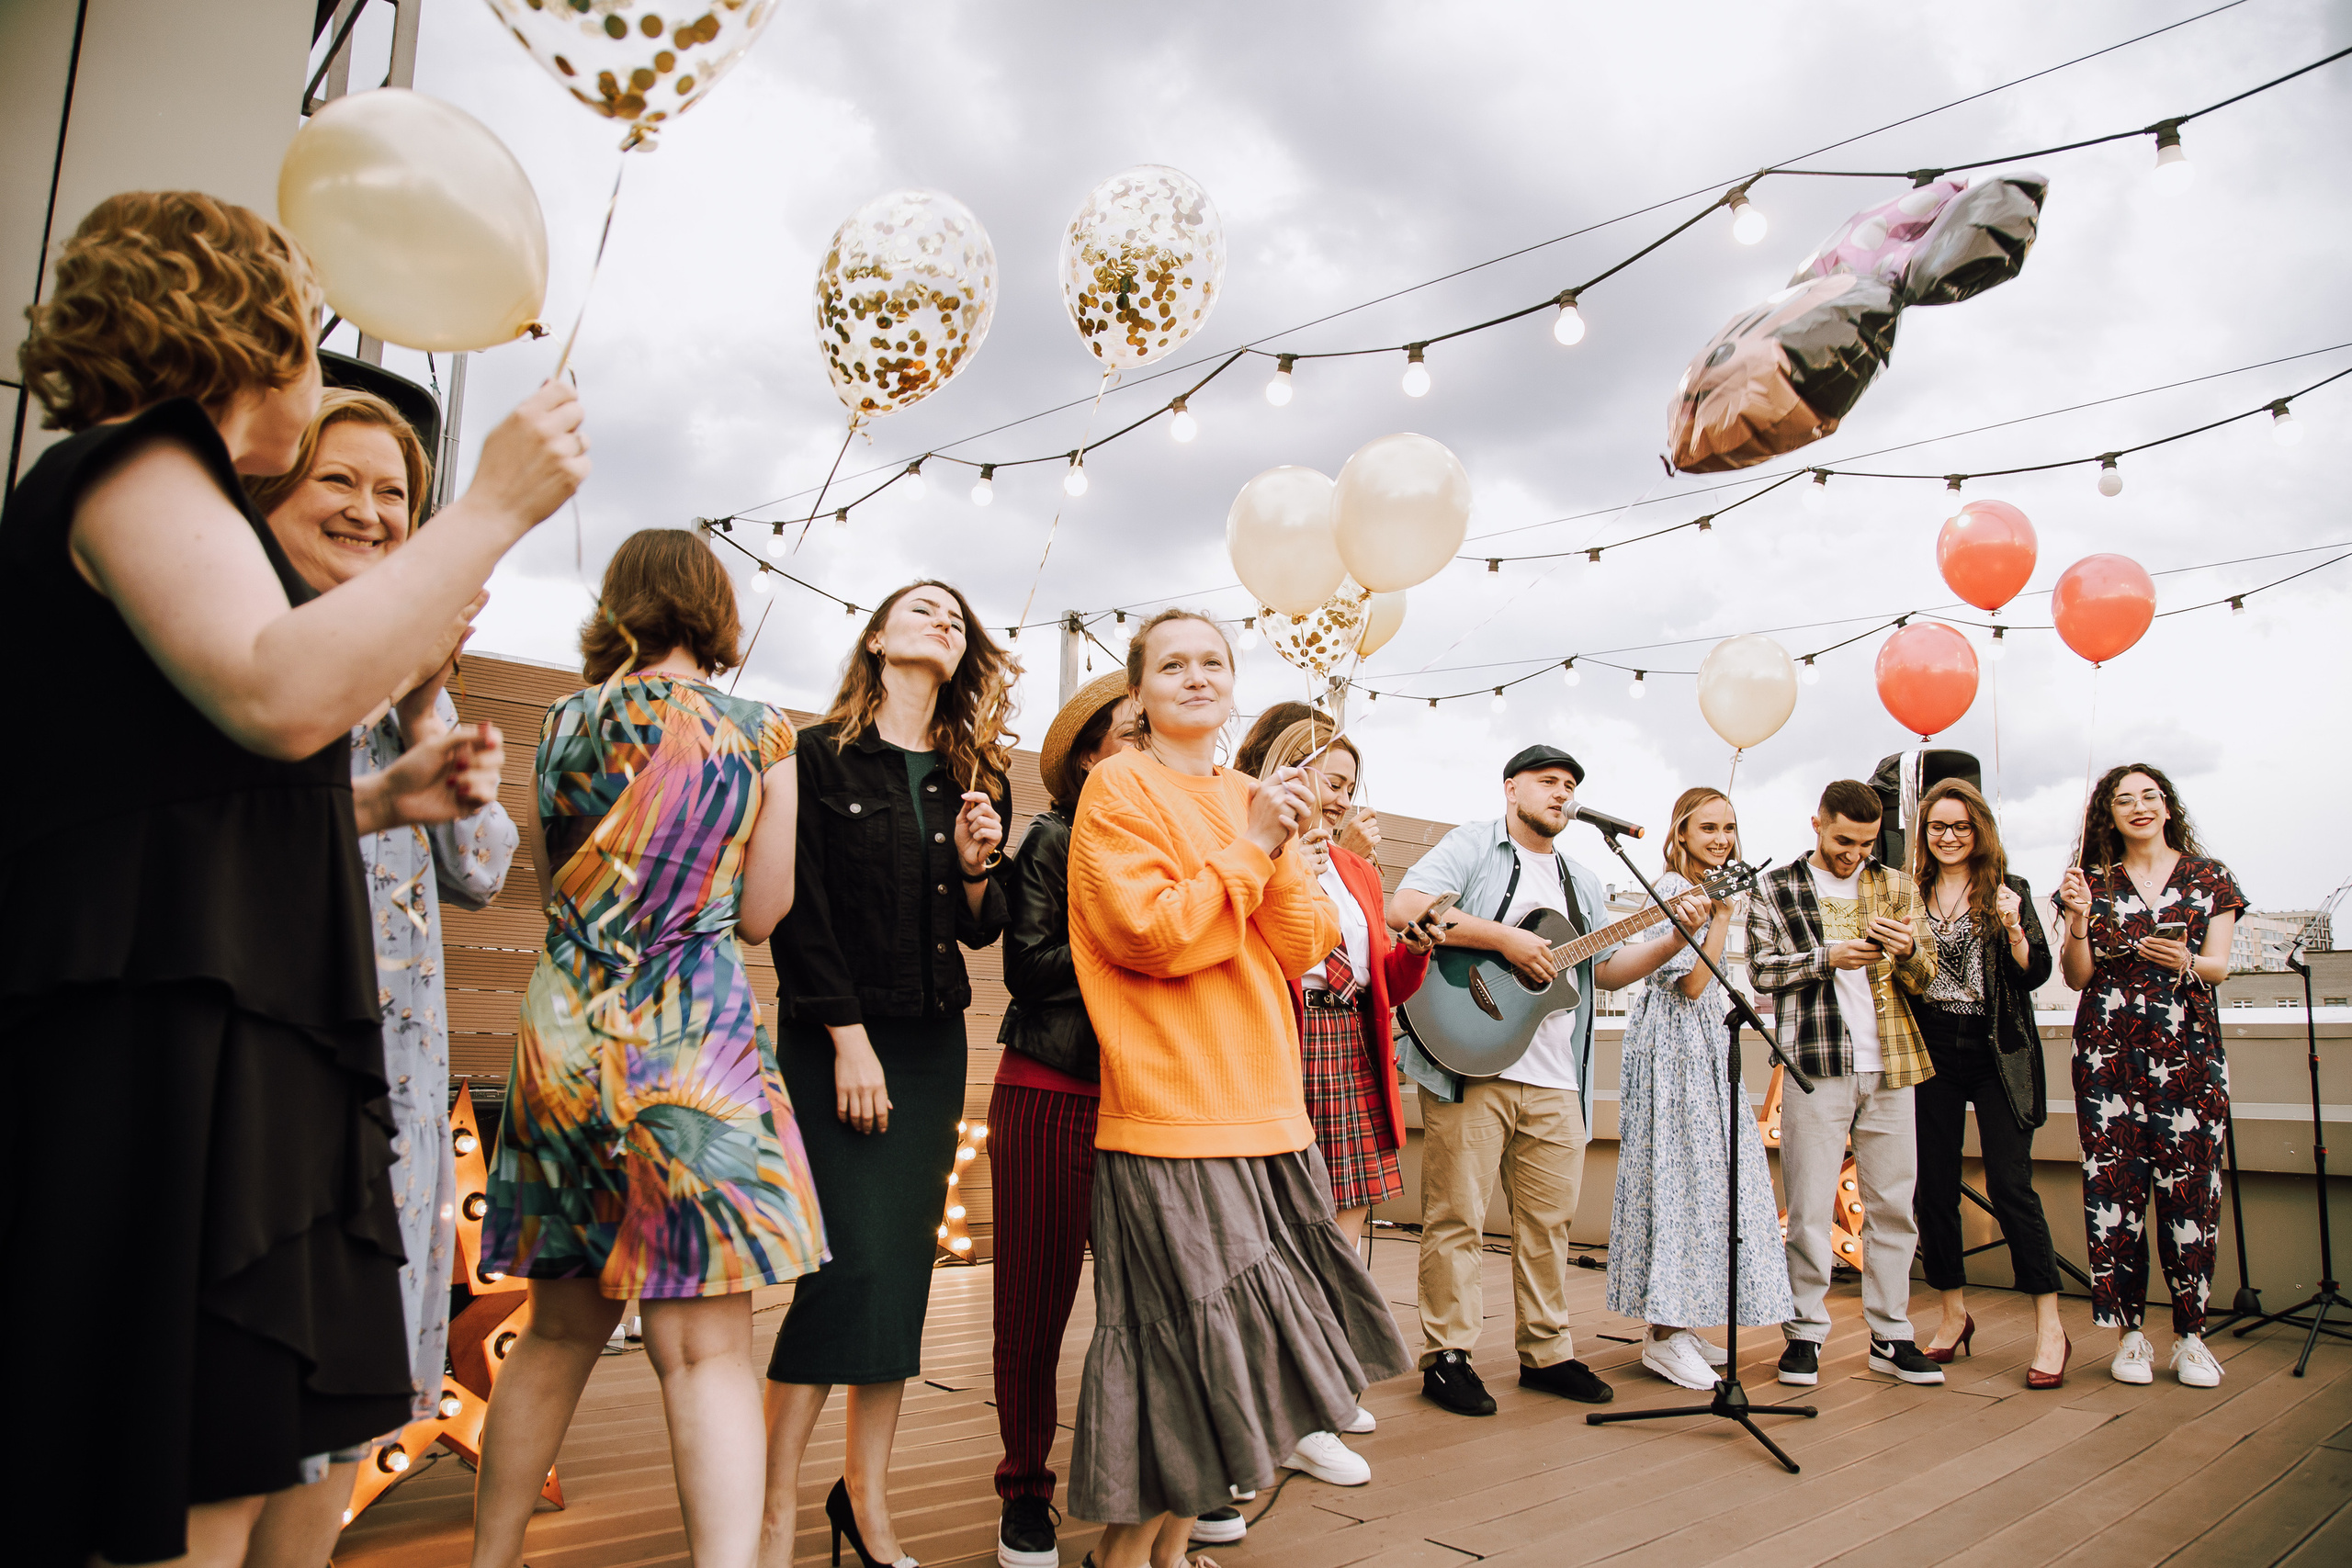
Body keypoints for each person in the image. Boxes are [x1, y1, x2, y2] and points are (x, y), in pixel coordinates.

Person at [3, 189, 583, 1568]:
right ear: (239, 339)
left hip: (226, 1028)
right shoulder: (136, 468)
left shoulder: (172, 503)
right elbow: (275, 694)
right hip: (162, 1039)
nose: (316, 382)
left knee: (243, 1445)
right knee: (178, 1456)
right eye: (310, 347)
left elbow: (189, 784)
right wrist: (492, 502)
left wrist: (381, 797)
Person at [473, 528, 826, 1568]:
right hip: (689, 1041)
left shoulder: (559, 722)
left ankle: (488, 1561)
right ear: (714, 610)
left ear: (617, 603)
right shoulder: (762, 732)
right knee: (705, 1348)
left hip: (566, 1031)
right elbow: (765, 912)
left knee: (556, 1327)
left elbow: (551, 895)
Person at [1065, 610, 1410, 1568]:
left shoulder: (1250, 793)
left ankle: (1170, 1554)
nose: (1195, 676)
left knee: (1239, 1359)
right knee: (1181, 1357)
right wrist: (1251, 848)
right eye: (1171, 664)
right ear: (1138, 692)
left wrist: (1281, 846)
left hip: (1267, 1106)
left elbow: (1301, 946)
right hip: (1173, 1109)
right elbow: (1153, 935)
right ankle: (1120, 1559)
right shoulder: (1117, 790)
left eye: (1212, 661)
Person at [242, 389, 522, 1565]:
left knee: (343, 1409)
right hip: (268, 1068)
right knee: (244, 1406)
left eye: (393, 494)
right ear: (270, 497)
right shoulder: (247, 650)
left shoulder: (409, 682)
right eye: (339, 482)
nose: (369, 511)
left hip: (396, 1091)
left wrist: (418, 697)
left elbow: (483, 863)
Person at [762, 581, 1013, 1568]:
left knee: (899, 1270)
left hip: (931, 1043)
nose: (945, 619)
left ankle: (864, 1497)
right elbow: (799, 912)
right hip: (837, 1041)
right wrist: (847, 1039)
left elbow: (979, 928)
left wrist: (976, 864)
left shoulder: (972, 771)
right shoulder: (814, 756)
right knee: (845, 1266)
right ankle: (772, 1504)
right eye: (921, 608)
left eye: (958, 613)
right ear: (874, 638)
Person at [1387, 746, 1696, 1416]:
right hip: (1471, 1061)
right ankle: (1448, 1355)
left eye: (1572, 785)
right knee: (1456, 1217)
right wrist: (1505, 941)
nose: (1562, 793)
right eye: (1549, 781)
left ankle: (1547, 1351)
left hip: (1558, 1077)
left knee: (1547, 1224)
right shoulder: (1474, 845)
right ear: (1511, 787)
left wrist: (1672, 941)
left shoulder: (1583, 879)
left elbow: (1603, 971)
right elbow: (1406, 906)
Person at [988, 671, 1168, 1568]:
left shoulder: (1170, 846)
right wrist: (1135, 944)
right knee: (1032, 1305)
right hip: (1049, 1092)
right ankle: (1024, 1494)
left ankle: (1147, 1495)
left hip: (1145, 1103)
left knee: (1143, 1311)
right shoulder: (1050, 839)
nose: (1147, 745)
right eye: (1131, 732)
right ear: (1090, 754)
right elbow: (1028, 966)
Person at [1260, 716, 1438, 1483]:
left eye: (1347, 787)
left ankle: (1328, 1384)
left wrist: (1417, 951)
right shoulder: (1261, 846)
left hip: (1352, 1048)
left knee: (1346, 1226)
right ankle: (1291, 1410)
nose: (1340, 799)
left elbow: (1382, 983)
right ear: (1291, 772)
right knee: (1288, 1233)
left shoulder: (1356, 870)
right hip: (1285, 1044)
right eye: (1331, 781)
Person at [1746, 779, 1944, 1389]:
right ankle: (1803, 1334)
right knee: (1807, 1208)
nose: (1852, 852)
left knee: (1893, 1206)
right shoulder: (1778, 887)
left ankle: (1892, 1333)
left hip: (1891, 1064)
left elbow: (1927, 975)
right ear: (1817, 823)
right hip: (1815, 1062)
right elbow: (1760, 970)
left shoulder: (1896, 884)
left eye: (1863, 842)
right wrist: (1828, 957)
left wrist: (1909, 947)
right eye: (1841, 839)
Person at [2055, 763, 2245, 1389]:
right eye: (2123, 799)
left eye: (2149, 796)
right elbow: (2077, 975)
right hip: (2108, 1057)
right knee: (2116, 1192)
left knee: (2192, 1193)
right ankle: (2130, 1333)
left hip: (2187, 1053)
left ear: (2168, 806)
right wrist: (2079, 919)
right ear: (2107, 813)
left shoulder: (2209, 878)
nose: (2138, 807)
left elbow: (2218, 966)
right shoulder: (2092, 882)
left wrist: (2187, 959)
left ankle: (2191, 1335)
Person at [1604, 788, 1794, 1391]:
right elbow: (1689, 982)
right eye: (1708, 827)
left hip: (1707, 1049)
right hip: (1674, 1055)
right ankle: (1661, 1334)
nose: (1721, 838)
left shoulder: (1704, 889)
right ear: (1681, 832)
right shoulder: (1669, 888)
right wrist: (1721, 917)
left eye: (1729, 827)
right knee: (1678, 1180)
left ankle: (1680, 1322)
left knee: (1708, 1185)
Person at [1908, 780, 2068, 1388]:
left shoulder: (2010, 889)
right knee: (1935, 1188)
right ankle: (1952, 1314)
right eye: (1937, 827)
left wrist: (2015, 930)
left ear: (1979, 830)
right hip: (1934, 1050)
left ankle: (2049, 1325)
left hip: (1996, 1050)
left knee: (2010, 1186)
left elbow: (2036, 975)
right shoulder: (1912, 892)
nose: (1948, 837)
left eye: (1960, 826)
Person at [1237, 699, 1379, 861]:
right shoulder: (1238, 835)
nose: (1346, 804)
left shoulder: (1319, 851)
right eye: (1334, 785)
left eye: (1350, 791)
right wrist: (1346, 858)